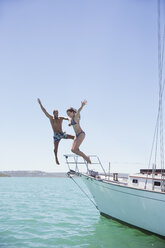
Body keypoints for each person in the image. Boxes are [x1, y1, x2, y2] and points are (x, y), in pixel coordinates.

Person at [37, 98, 74, 165]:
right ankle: (56, 158)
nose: (57, 114)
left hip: (62, 134)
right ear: (53, 113)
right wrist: (40, 104)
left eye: (57, 113)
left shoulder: (60, 118)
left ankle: (75, 148)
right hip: (56, 135)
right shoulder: (51, 118)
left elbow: (68, 118)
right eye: (56, 113)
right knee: (55, 149)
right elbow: (45, 111)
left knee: (74, 137)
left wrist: (69, 122)